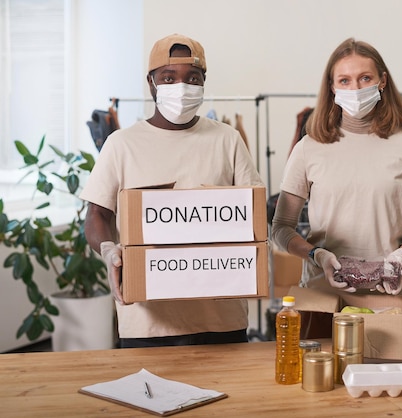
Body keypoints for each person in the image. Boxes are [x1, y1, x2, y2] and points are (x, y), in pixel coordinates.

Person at [80, 33, 264, 348]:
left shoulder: (227, 140)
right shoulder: (122, 145)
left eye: (192, 78)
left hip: (221, 318)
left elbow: (254, 211)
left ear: (204, 83)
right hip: (148, 322)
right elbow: (97, 213)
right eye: (169, 77)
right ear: (151, 83)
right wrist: (109, 249)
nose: (181, 87)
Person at [271, 38, 402, 334]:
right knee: (323, 378)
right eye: (344, 80)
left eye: (365, 78)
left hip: (393, 299)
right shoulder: (308, 149)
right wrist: (316, 256)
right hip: (324, 298)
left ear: (382, 81)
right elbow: (281, 227)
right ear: (332, 88)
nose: (356, 89)